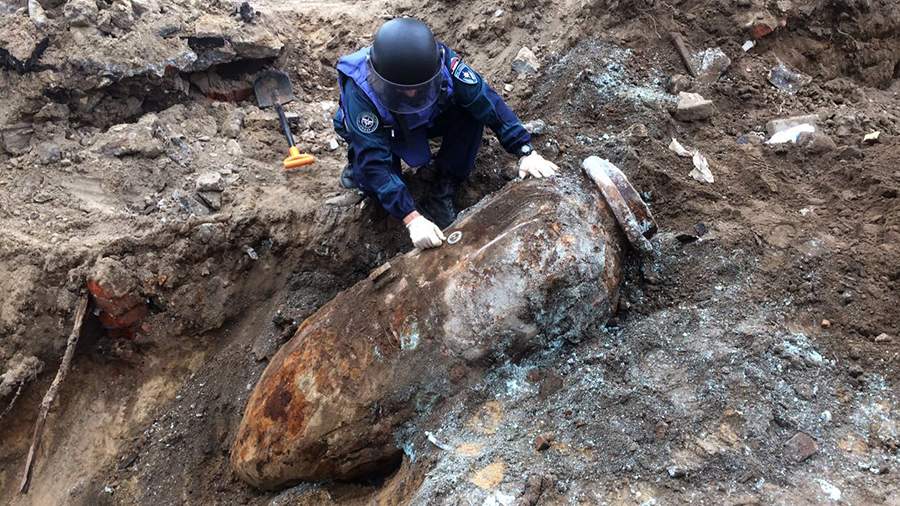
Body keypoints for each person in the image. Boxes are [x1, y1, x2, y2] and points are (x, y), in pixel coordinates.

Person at [333, 18, 558, 249]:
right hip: (384, 128)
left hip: (427, 116)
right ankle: (359, 173)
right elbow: (375, 161)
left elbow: (487, 101)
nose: (411, 95)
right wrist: (411, 218)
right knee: (371, 177)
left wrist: (525, 150)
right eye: (404, 90)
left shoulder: (443, 63)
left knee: (469, 113)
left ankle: (443, 189)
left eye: (417, 88)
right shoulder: (360, 89)